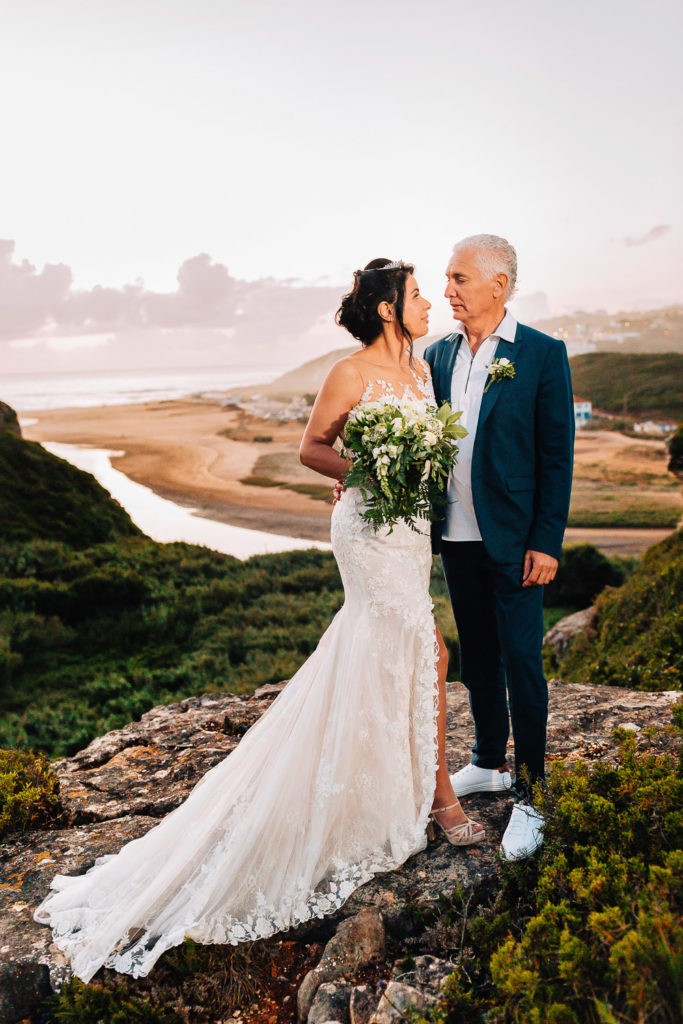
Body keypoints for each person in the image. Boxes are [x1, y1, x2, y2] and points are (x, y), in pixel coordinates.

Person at [33, 258, 482, 984]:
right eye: (419, 293)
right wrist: (367, 475)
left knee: (406, 650)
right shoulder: (348, 372)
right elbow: (313, 449)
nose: (429, 302)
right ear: (390, 309)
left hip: (410, 535)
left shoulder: (424, 375)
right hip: (368, 529)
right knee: (419, 646)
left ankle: (403, 789)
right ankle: (436, 800)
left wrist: (417, 480)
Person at [424, 234, 574, 861]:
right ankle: (489, 761)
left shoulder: (541, 354)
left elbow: (555, 455)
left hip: (516, 541)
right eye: (447, 279)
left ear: (498, 285)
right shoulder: (435, 355)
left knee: (522, 661)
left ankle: (533, 794)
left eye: (459, 279)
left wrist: (545, 540)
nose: (448, 291)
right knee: (478, 655)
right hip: (456, 535)